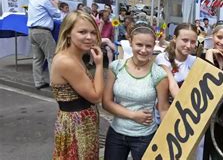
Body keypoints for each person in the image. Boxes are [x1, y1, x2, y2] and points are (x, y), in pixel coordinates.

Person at [103, 23, 170, 160]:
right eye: (139, 45)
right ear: (130, 43)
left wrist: (166, 139)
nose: (144, 50)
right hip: (116, 134)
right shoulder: (116, 67)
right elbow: (106, 102)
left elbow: (163, 108)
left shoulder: (158, 74)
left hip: (144, 137)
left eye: (149, 46)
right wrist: (133, 115)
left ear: (154, 47)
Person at [50, 11, 104, 159]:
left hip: (81, 123)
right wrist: (99, 65)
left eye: (93, 32)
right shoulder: (66, 61)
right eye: (82, 32)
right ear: (68, 33)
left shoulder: (75, 56)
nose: (89, 37)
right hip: (76, 126)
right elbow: (96, 96)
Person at [154, 23, 203, 159]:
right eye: (185, 40)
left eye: (193, 42)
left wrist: (209, 54)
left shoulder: (195, 61)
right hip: (165, 115)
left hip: (186, 119)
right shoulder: (162, 58)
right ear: (175, 38)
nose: (189, 45)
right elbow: (172, 85)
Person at [26, 0, 61, 89]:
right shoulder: (44, 0)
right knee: (52, 57)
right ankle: (54, 82)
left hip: (32, 31)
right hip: (43, 31)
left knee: (37, 58)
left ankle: (38, 81)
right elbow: (57, 14)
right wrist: (56, 5)